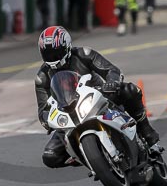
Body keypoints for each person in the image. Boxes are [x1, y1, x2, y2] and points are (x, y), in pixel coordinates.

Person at [35, 26, 159, 168]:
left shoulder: (84, 54)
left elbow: (111, 70)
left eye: (56, 54)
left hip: (100, 97)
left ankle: (148, 133)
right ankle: (86, 156)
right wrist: (48, 119)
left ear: (66, 47)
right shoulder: (42, 77)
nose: (53, 59)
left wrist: (112, 83)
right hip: (69, 114)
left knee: (131, 90)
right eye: (48, 55)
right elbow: (43, 109)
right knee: (50, 156)